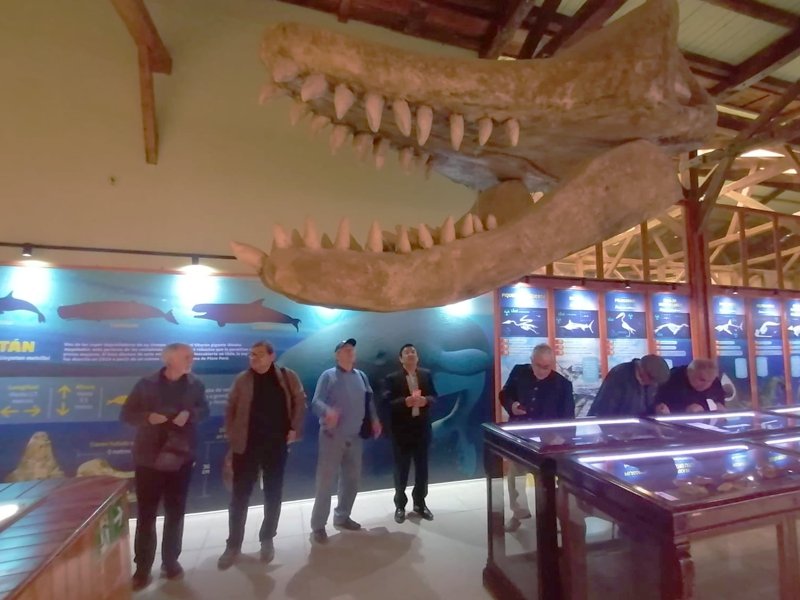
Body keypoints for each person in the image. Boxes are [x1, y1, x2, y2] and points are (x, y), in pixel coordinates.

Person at [120, 343, 209, 591]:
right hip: (149, 459)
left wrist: (190, 415)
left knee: (175, 513)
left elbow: (204, 410)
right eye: (186, 356)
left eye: (191, 356)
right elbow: (127, 414)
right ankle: (142, 568)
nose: (191, 359)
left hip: (181, 458)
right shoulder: (145, 384)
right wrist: (148, 417)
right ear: (169, 360)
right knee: (146, 515)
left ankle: (171, 562)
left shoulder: (196, 384)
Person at [217, 341, 306, 569]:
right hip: (246, 447)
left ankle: (267, 538)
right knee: (239, 496)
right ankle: (233, 544)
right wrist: (233, 435)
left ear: (271, 356)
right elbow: (230, 408)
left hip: (276, 445)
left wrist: (294, 427)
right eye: (251, 354)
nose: (253, 358)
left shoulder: (287, 377)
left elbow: (300, 400)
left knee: (273, 493)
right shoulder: (242, 380)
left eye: (258, 354)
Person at [309, 338, 382, 543]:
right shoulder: (328, 376)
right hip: (332, 437)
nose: (350, 352)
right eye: (346, 349)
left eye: (352, 349)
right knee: (325, 482)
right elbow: (316, 402)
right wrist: (327, 412)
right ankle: (318, 526)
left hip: (355, 437)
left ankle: (342, 517)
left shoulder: (362, 376)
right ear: (337, 355)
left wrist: (375, 420)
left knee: (352, 480)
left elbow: (369, 402)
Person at [499, 344, 574, 531]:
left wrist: (561, 439)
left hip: (547, 443)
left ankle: (551, 519)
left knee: (545, 482)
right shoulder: (519, 372)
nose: (542, 370)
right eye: (538, 365)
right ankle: (519, 513)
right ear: (531, 361)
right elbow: (505, 394)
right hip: (521, 436)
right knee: (515, 477)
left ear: (552, 364)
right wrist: (512, 405)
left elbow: (568, 419)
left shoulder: (563, 385)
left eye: (547, 366)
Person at [382, 343, 438, 524]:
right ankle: (400, 505)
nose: (411, 354)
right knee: (401, 470)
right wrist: (405, 402)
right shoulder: (392, 378)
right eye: (406, 352)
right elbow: (386, 403)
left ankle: (420, 503)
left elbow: (435, 397)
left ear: (418, 357)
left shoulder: (426, 374)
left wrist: (425, 400)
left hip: (422, 429)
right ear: (401, 359)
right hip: (401, 431)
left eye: (413, 351)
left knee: (422, 469)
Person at [587, 354, 670, 417]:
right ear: (642, 369)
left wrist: (657, 409)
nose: (654, 384)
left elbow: (646, 407)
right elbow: (605, 410)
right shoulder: (619, 375)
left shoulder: (652, 382)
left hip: (637, 428)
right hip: (617, 428)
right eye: (652, 379)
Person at [653, 358, 726, 414]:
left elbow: (719, 402)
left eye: (710, 381)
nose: (706, 385)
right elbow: (660, 406)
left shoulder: (714, 380)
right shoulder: (671, 378)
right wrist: (684, 409)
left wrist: (719, 406)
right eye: (702, 380)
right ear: (689, 373)